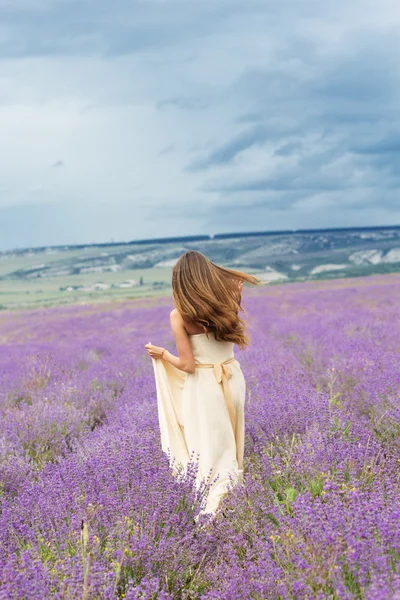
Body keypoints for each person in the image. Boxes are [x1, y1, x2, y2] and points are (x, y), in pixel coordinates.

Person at [145, 250, 260, 517]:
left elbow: (188, 366)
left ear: (180, 282)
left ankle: (212, 515)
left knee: (210, 451)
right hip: (233, 379)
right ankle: (237, 504)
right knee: (232, 443)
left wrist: (162, 354)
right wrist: (236, 297)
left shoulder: (180, 315)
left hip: (206, 386)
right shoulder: (226, 303)